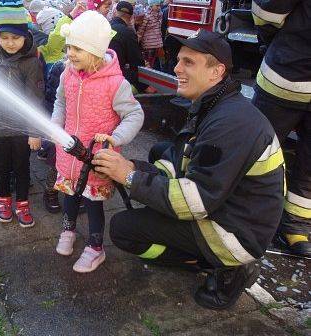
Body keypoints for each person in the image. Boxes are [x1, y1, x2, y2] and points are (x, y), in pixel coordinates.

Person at [92, 30, 285, 309]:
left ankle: (223, 268)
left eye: (189, 63)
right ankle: (206, 256)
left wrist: (130, 177)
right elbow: (176, 158)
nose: (176, 68)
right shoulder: (215, 105)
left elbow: (197, 200)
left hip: (234, 233)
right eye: (179, 60)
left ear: (216, 71)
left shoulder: (230, 124)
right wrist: (130, 168)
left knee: (123, 230)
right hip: (230, 210)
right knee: (160, 153)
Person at [52, 11, 144, 273]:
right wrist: (55, 125)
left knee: (93, 204)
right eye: (69, 47)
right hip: (68, 156)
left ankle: (95, 247)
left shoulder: (116, 84)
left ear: (94, 51)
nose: (70, 53)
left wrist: (116, 138)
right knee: (68, 195)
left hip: (96, 160)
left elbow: (134, 114)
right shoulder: (67, 75)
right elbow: (61, 102)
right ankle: (68, 230)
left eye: (77, 48)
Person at [251, 0, 311, 257]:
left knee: (257, 152)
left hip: (288, 73)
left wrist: (277, 39)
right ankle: (296, 230)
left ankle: (249, 220)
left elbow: (268, 12)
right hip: (290, 73)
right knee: (308, 165)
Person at [0, 0, 44, 228]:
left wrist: (35, 132)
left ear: (25, 35)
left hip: (20, 128)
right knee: (1, 166)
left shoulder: (32, 63)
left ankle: (23, 203)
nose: (10, 43)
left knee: (21, 167)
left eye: (15, 38)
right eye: (4, 37)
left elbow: (36, 100)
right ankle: (5, 200)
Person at [109, 1, 155, 94]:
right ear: (131, 17)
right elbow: (137, 63)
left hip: (102, 73)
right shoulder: (128, 33)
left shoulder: (105, 27)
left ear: (116, 12)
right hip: (119, 77)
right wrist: (144, 85)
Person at [137, 0, 163, 69]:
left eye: (159, 5)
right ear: (151, 5)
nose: (159, 7)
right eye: (157, 6)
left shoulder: (159, 14)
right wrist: (137, 41)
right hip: (148, 45)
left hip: (157, 44)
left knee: (154, 63)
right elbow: (141, 30)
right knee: (149, 63)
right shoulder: (147, 15)